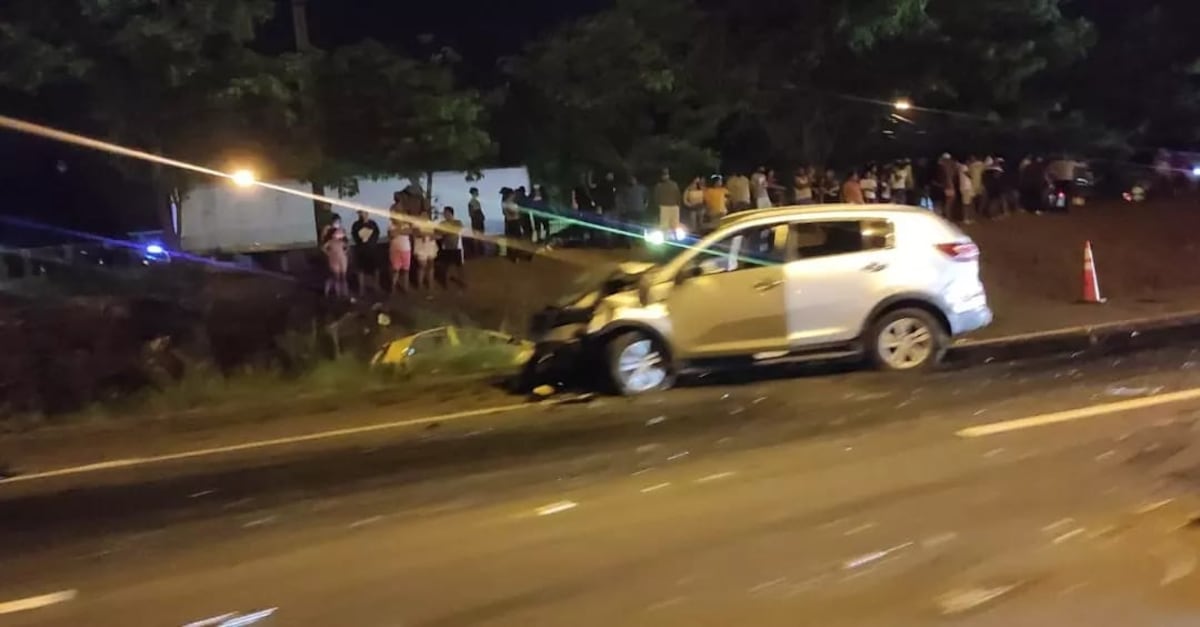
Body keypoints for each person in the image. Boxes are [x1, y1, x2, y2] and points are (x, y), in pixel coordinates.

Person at [350, 210, 380, 297]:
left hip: (372, 249)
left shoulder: (373, 223)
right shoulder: (356, 225)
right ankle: (361, 289)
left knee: (375, 269)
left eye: (362, 213)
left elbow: (377, 234)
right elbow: (354, 235)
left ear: (367, 214)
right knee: (360, 270)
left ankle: (376, 286)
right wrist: (361, 239)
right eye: (360, 213)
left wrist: (370, 240)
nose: (361, 215)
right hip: (361, 250)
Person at [437, 207, 466, 289]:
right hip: (446, 247)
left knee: (459, 266)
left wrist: (445, 231)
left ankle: (462, 281)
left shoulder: (457, 222)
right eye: (444, 213)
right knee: (446, 266)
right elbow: (439, 232)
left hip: (457, 247)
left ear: (451, 213)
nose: (445, 214)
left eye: (446, 213)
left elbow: (457, 230)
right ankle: (445, 284)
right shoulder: (442, 223)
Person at [320, 215, 349, 299]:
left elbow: (346, 243)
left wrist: (345, 251)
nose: (337, 223)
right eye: (335, 221)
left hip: (341, 257)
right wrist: (328, 253)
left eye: (338, 221)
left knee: (343, 276)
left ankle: (344, 293)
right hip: (333, 256)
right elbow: (323, 244)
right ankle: (335, 293)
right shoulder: (328, 231)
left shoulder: (342, 231)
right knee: (335, 275)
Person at [387, 218, 412, 293]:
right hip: (395, 251)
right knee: (395, 270)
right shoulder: (391, 226)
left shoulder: (406, 225)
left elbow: (409, 231)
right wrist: (401, 230)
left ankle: (406, 288)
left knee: (406, 270)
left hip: (406, 250)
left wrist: (398, 231)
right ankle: (393, 287)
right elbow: (392, 235)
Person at [654, 168, 682, 233]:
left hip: (672, 207)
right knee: (666, 226)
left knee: (674, 226)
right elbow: (656, 197)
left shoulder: (673, 184)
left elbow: (678, 195)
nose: (665, 176)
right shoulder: (659, 186)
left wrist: (678, 205)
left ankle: (673, 237)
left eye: (666, 174)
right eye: (664, 175)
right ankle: (667, 237)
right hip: (666, 207)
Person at [466, 187, 486, 257]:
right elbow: (471, 214)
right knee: (477, 235)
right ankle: (477, 252)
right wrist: (478, 218)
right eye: (476, 192)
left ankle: (480, 251)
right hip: (476, 221)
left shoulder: (476, 201)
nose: (478, 193)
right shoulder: (471, 202)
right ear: (473, 193)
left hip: (478, 220)